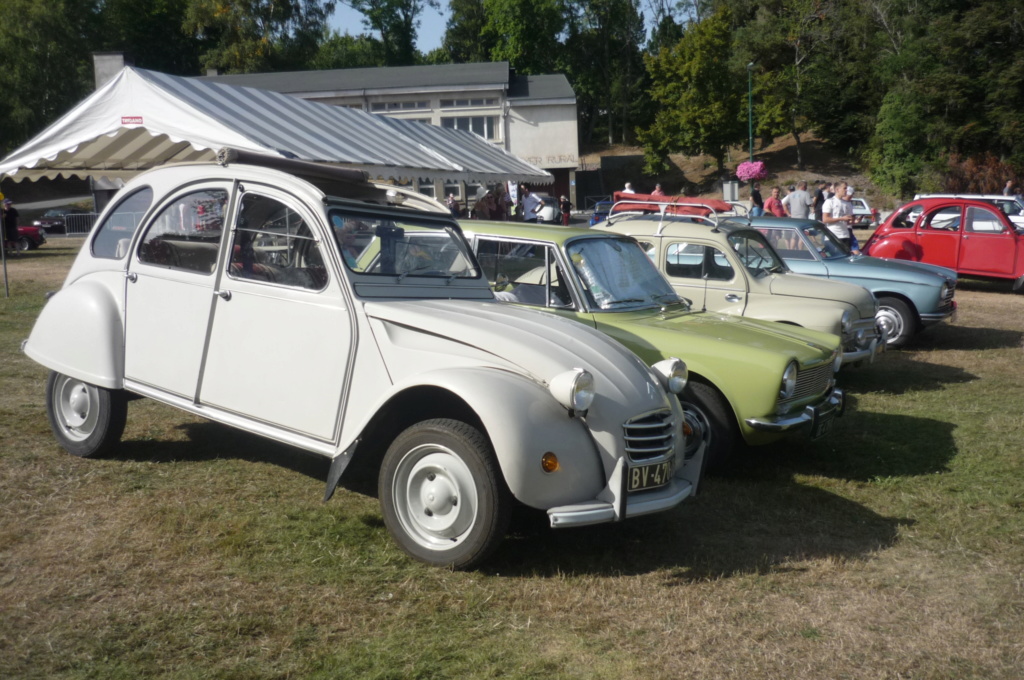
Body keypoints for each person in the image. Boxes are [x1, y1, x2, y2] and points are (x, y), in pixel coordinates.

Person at [822, 181, 855, 247]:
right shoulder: (829, 201)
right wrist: (842, 218)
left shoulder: (847, 203)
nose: (846, 190)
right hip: (833, 235)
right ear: (837, 189)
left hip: (845, 235)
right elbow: (825, 219)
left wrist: (854, 221)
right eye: (844, 188)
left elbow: (849, 221)